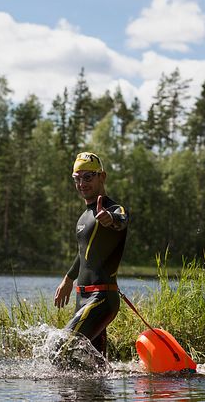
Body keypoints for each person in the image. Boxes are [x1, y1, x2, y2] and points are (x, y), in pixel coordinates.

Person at [53, 152, 129, 358]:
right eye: (77, 178)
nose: (82, 183)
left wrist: (110, 219)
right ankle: (91, 390)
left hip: (101, 298)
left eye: (88, 177)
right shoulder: (83, 217)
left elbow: (121, 219)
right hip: (82, 297)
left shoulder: (112, 208)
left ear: (102, 177)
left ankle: (60, 390)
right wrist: (68, 279)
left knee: (58, 350)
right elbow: (84, 254)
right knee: (95, 367)